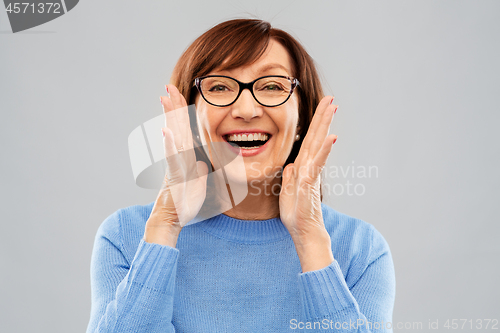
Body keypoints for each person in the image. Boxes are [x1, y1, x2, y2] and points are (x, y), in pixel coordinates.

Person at [86, 18, 395, 332]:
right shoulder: (126, 236)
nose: (246, 110)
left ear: (301, 118)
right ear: (189, 117)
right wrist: (165, 225)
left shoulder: (360, 249)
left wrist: (310, 240)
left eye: (272, 86)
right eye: (219, 86)